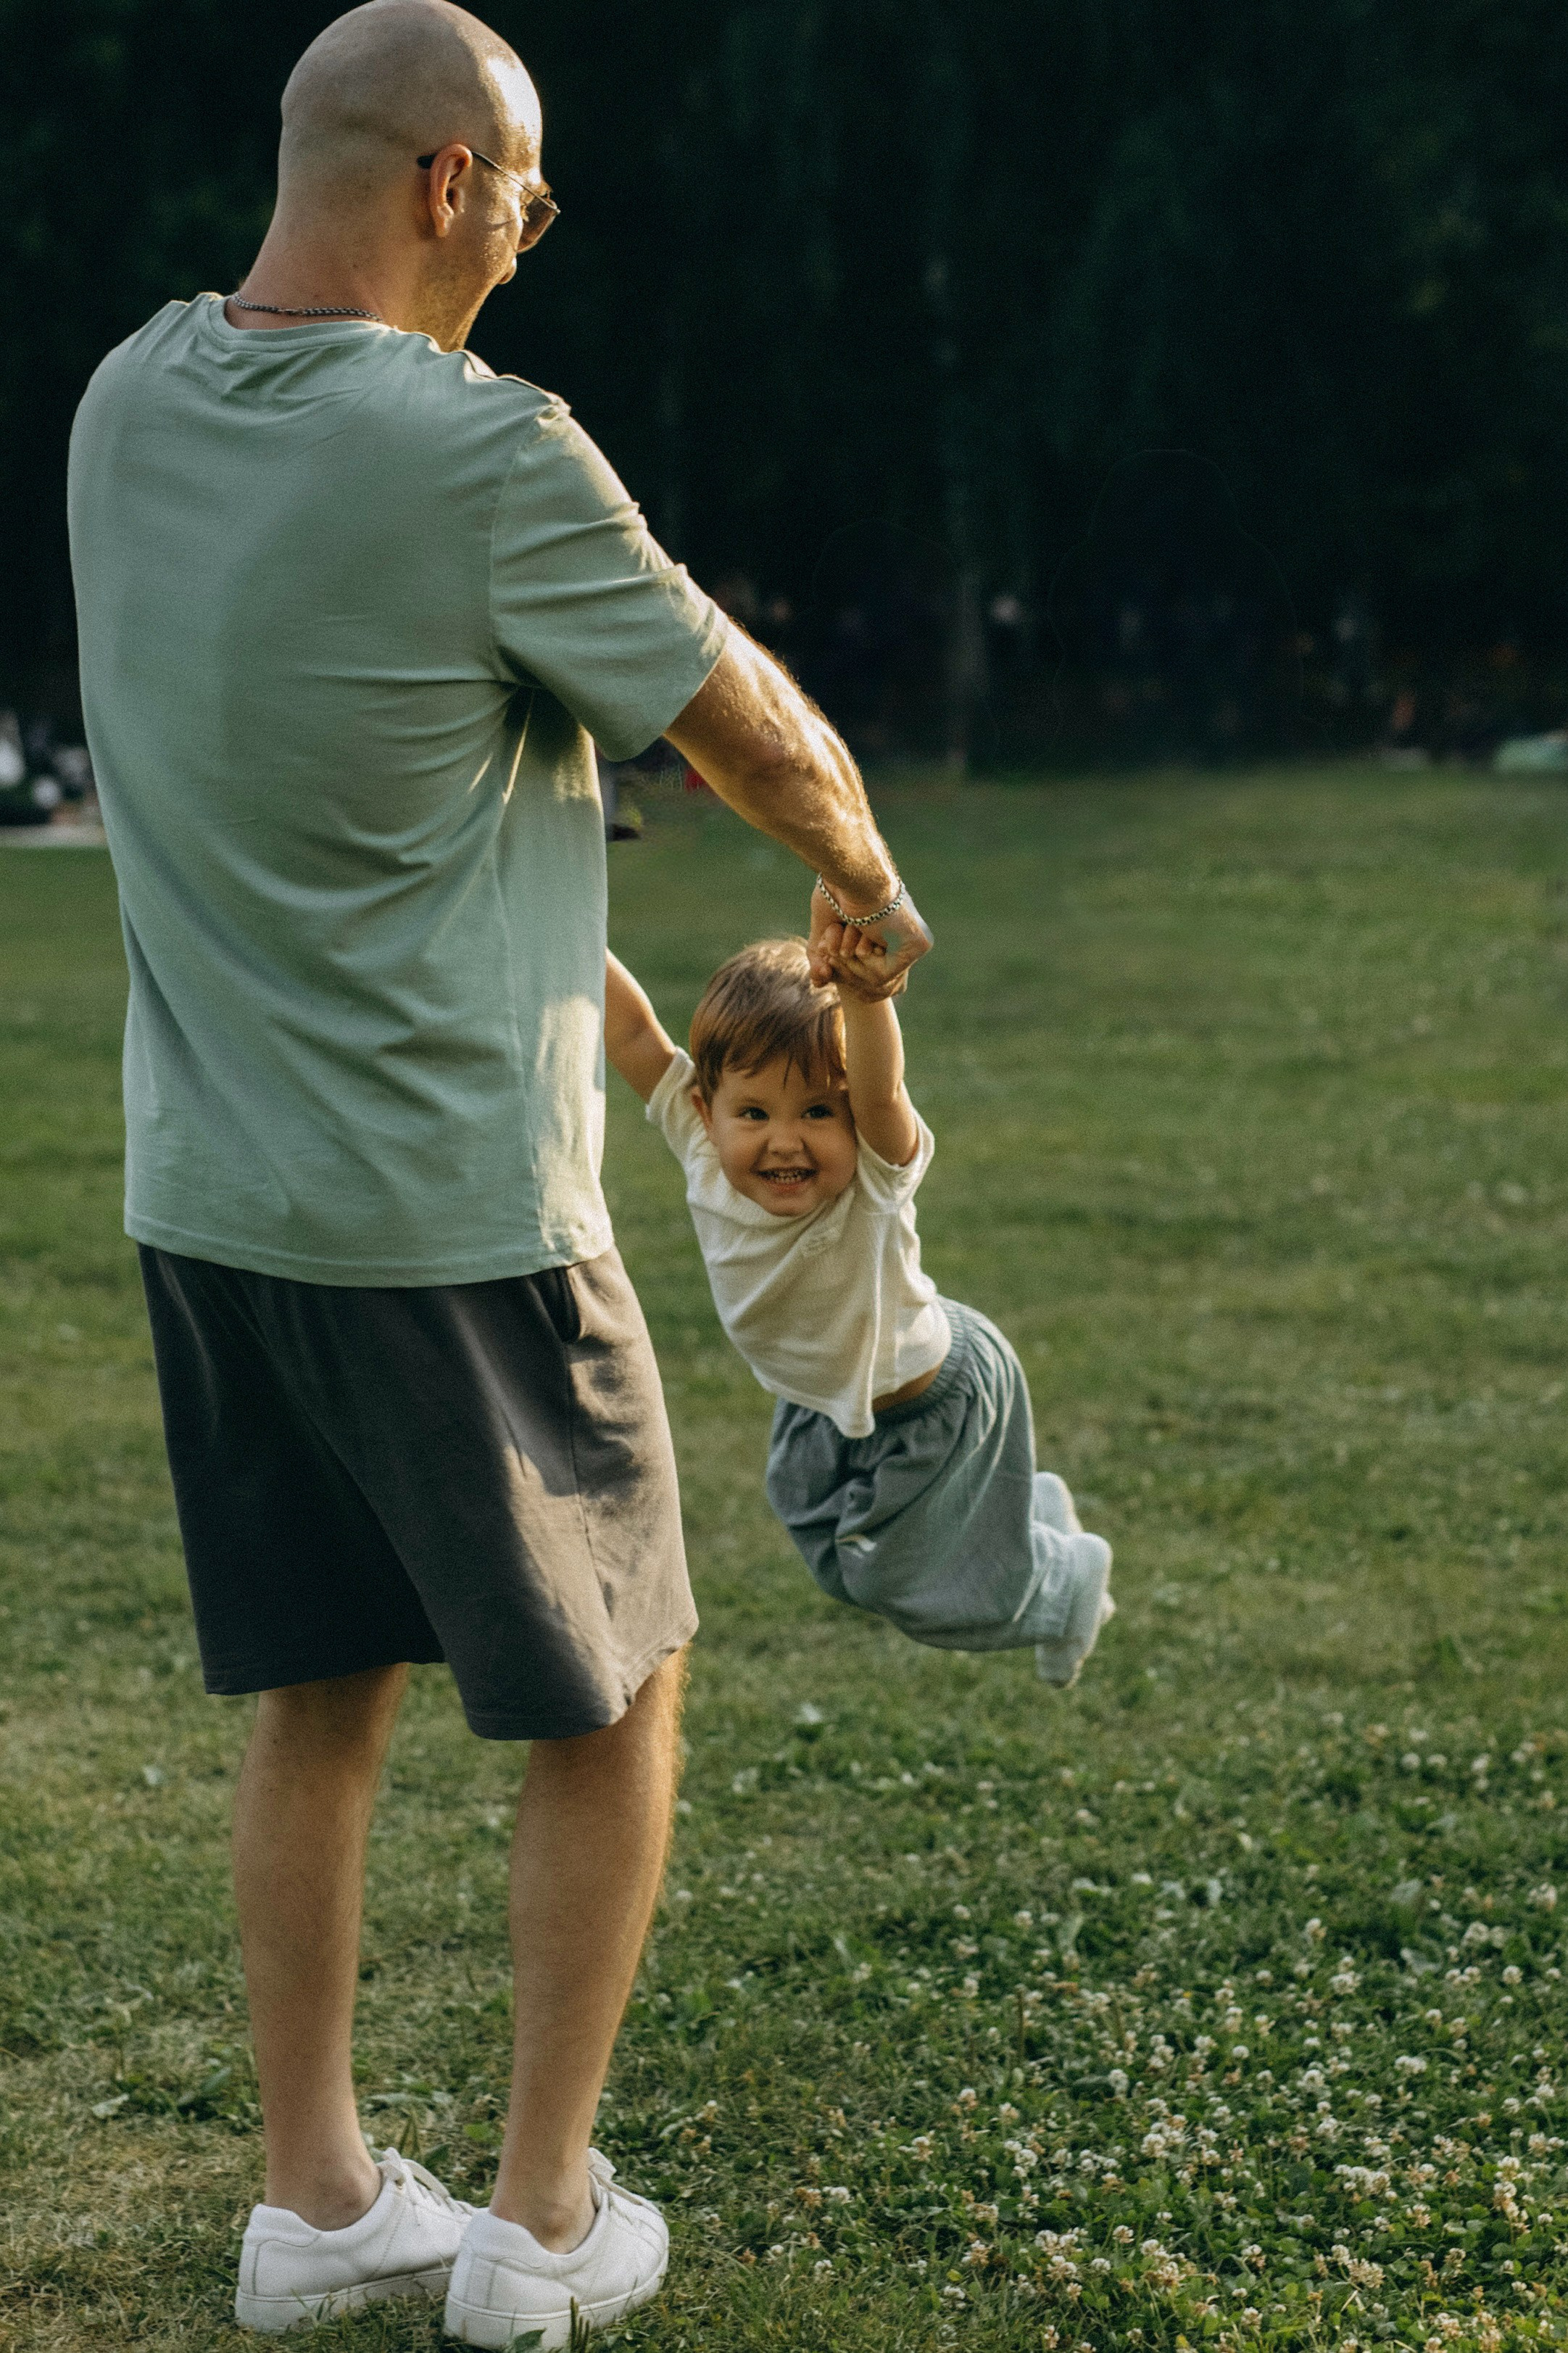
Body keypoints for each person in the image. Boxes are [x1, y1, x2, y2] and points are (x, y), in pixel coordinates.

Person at [66, 3, 929, 2344]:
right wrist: (858, 870)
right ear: (449, 180)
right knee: (616, 1691)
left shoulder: (123, 399)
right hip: (455, 1213)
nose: (532, 239)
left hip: (211, 1201)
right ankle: (541, 2230)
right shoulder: (482, 448)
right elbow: (734, 712)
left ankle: (315, 2196)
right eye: (528, 195)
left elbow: (377, 740)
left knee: (316, 1690)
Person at [602, 933, 1113, 1676]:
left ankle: (1064, 1586)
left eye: (817, 1110)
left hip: (931, 1402)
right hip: (817, 1405)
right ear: (704, 1108)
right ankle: (1027, 1520)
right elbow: (629, 1031)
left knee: (896, 1579)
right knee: (833, 1562)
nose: (785, 1141)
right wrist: (561, 913)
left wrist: (864, 992)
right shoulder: (699, 1141)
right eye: (754, 1113)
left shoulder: (873, 1174)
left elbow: (878, 1091)